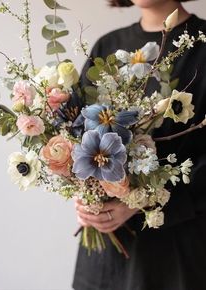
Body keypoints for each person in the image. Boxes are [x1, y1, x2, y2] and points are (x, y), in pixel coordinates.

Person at [72, 0, 206, 289]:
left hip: (176, 254)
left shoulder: (202, 45)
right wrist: (84, 194)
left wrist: (144, 200)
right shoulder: (108, 46)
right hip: (104, 260)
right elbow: (76, 132)